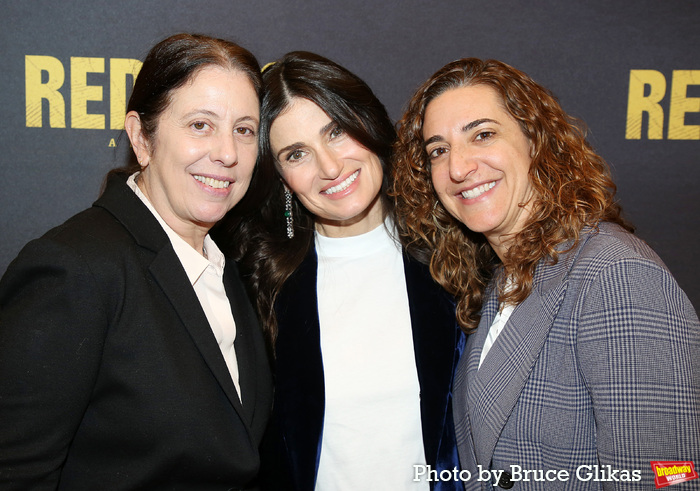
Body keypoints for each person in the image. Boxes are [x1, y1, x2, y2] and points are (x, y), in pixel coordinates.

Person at [392, 58, 700, 490]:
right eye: (438, 150)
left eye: (482, 134)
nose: (458, 168)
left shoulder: (615, 274)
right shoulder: (502, 280)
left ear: (536, 141)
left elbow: (669, 477)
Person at [0, 33, 272, 490]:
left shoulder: (225, 264)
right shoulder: (75, 268)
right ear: (141, 138)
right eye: (201, 125)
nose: (228, 153)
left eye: (243, 129)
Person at [228, 51, 463, 490]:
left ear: (368, 122)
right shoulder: (258, 285)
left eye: (336, 131)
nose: (330, 167)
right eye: (297, 154)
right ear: (280, 178)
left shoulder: (457, 255)